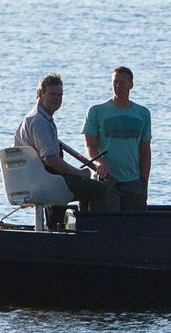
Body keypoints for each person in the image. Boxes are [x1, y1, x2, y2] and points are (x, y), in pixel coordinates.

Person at [13, 73, 115, 228]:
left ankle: (58, 227)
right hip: (42, 181)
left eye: (60, 95)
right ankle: (95, 233)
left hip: (34, 179)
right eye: (52, 94)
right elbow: (51, 160)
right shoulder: (40, 122)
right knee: (101, 189)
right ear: (40, 94)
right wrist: (79, 173)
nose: (57, 98)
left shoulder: (33, 118)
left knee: (83, 184)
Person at [82, 66, 152, 211]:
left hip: (133, 182)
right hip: (107, 182)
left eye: (122, 82)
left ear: (131, 84)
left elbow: (145, 151)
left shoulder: (142, 113)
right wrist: (99, 162)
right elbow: (90, 146)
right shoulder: (96, 111)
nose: (118, 86)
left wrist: (144, 181)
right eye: (115, 82)